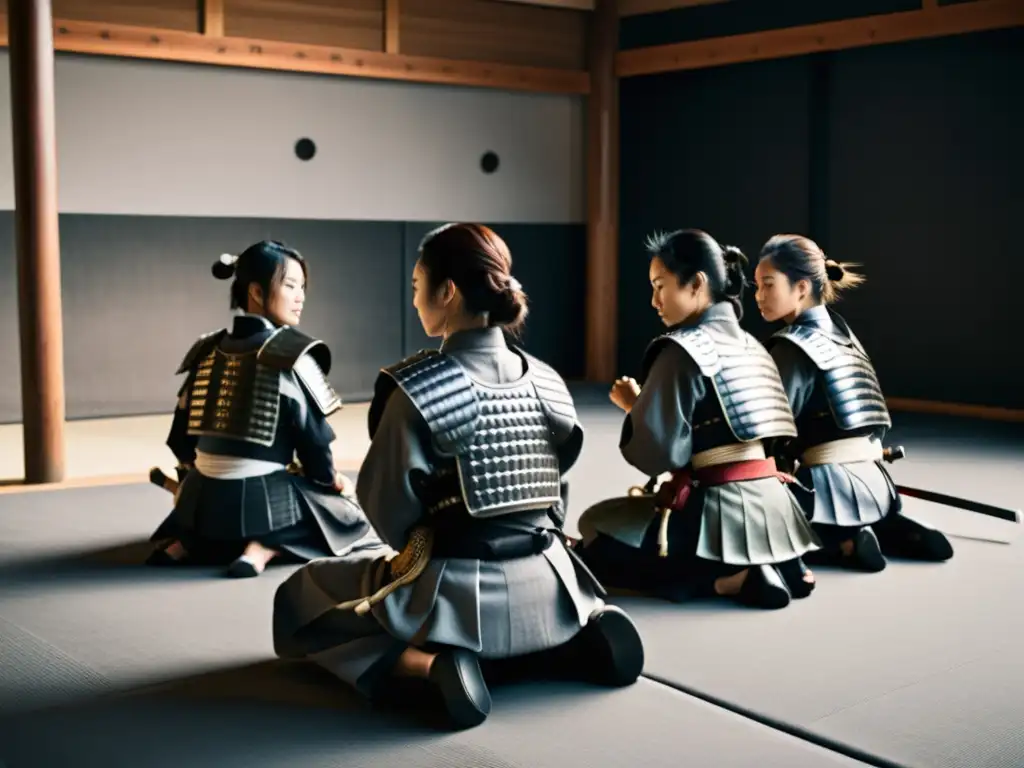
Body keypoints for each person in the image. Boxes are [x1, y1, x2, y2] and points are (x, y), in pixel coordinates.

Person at [271, 223, 645, 731]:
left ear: (447, 292)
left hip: (458, 584)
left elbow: (386, 508)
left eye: (417, 286)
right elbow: (557, 497)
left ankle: (427, 664)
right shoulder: (549, 380)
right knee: (546, 604)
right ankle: (573, 640)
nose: (416, 299)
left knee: (305, 596)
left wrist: (418, 543)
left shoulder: (418, 386)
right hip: (551, 578)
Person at [573, 229, 820, 610]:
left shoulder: (681, 350)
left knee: (595, 545)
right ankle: (778, 562)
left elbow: (659, 454)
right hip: (775, 507)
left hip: (718, 507)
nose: (654, 300)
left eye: (661, 286)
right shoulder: (753, 345)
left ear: (697, 284)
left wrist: (635, 406)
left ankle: (728, 579)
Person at [147, 240, 378, 578]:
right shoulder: (292, 354)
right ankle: (263, 548)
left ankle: (185, 544)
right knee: (347, 514)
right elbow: (315, 448)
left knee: (208, 512)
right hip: (261, 500)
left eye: (302, 287)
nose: (300, 296)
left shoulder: (205, 351)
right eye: (290, 286)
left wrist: (189, 481)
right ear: (256, 290)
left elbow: (179, 440)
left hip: (198, 500)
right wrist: (332, 483)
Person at [754, 234, 953, 571]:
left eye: (768, 285)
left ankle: (840, 543)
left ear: (801, 288)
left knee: (739, 524)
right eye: (756, 286)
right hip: (876, 481)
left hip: (825, 485)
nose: (759, 296)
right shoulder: (844, 333)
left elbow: (767, 431)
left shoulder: (790, 346)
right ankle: (886, 527)